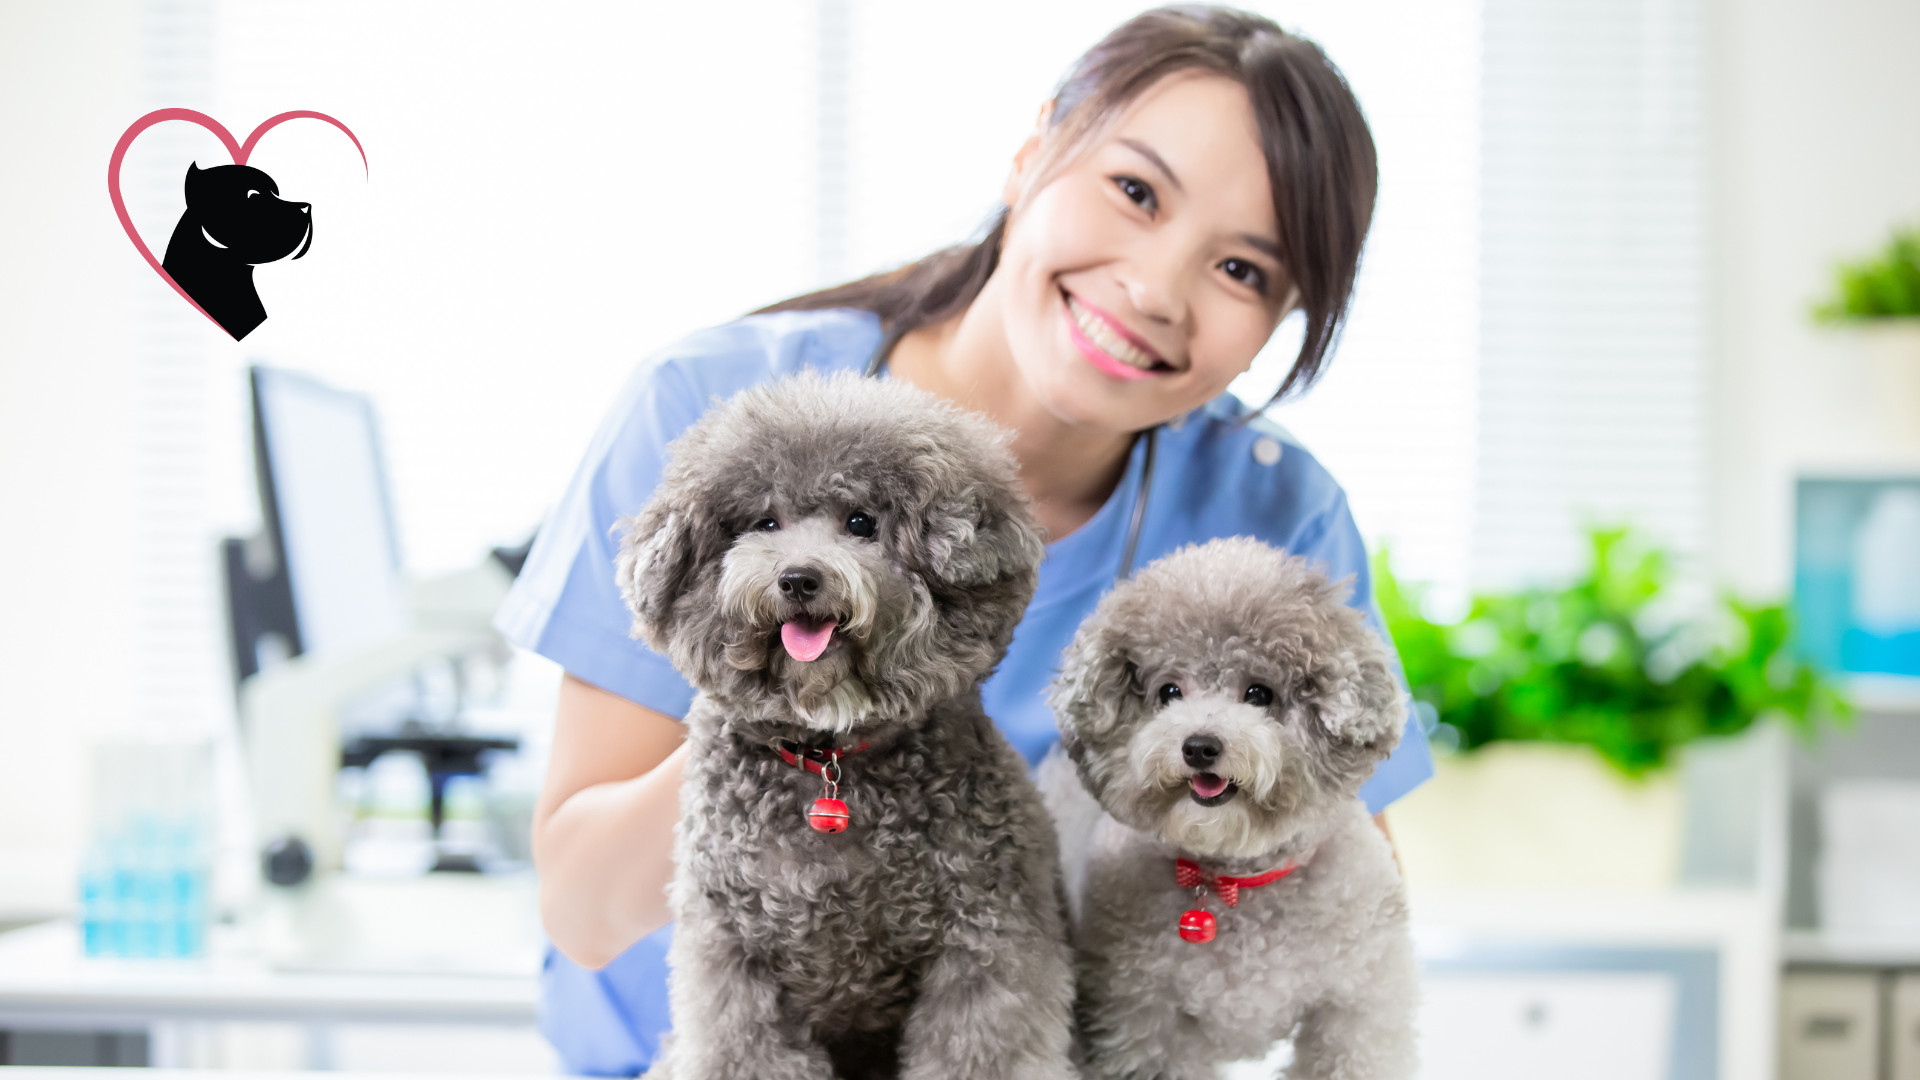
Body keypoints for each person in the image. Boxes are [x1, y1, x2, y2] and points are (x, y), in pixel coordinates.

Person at [494, 5, 1435, 1075]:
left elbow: (1351, 914)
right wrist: (807, 715)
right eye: (1134, 192)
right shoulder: (709, 409)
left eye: (1242, 272)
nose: (1153, 288)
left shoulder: (1273, 514)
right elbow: (581, 911)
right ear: (1034, 149)